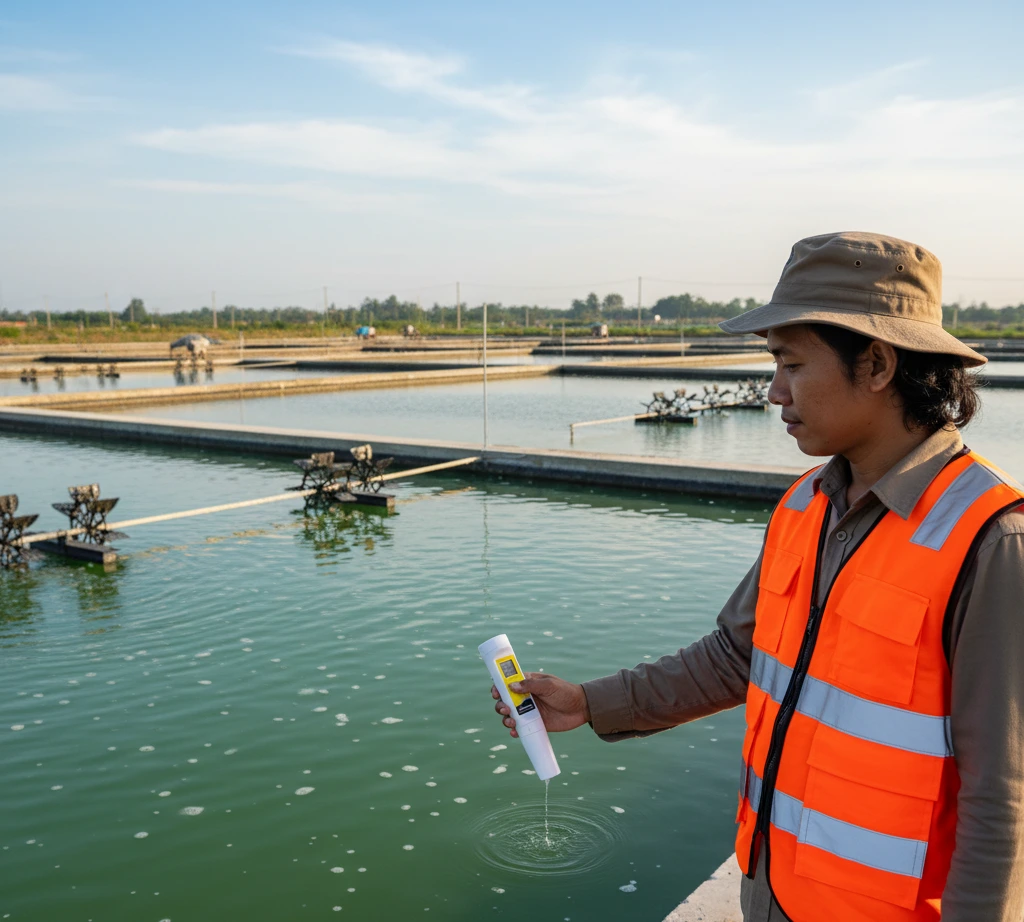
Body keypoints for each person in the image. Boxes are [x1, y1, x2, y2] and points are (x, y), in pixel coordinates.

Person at [491, 232, 1024, 922]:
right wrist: (590, 701)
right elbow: (736, 656)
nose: (774, 392)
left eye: (791, 364)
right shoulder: (806, 504)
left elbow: (1003, 801)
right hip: (774, 897)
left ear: (879, 364)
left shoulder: (990, 541)